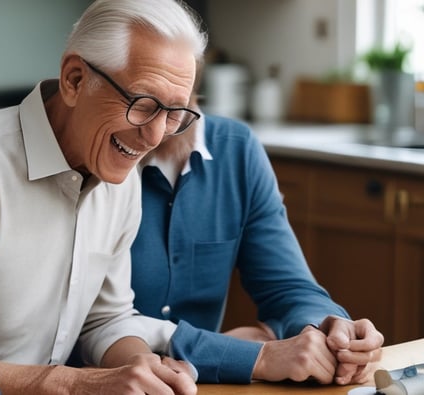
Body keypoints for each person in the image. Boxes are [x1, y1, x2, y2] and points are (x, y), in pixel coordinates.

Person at [0, 0, 206, 394]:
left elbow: (105, 320)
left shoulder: (119, 171)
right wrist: (72, 385)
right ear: (74, 80)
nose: (155, 138)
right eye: (143, 104)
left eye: (174, 113)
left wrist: (142, 370)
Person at [130, 92, 385, 384]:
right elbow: (99, 324)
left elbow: (287, 286)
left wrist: (328, 329)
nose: (160, 125)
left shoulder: (237, 149)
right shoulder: (105, 155)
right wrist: (247, 353)